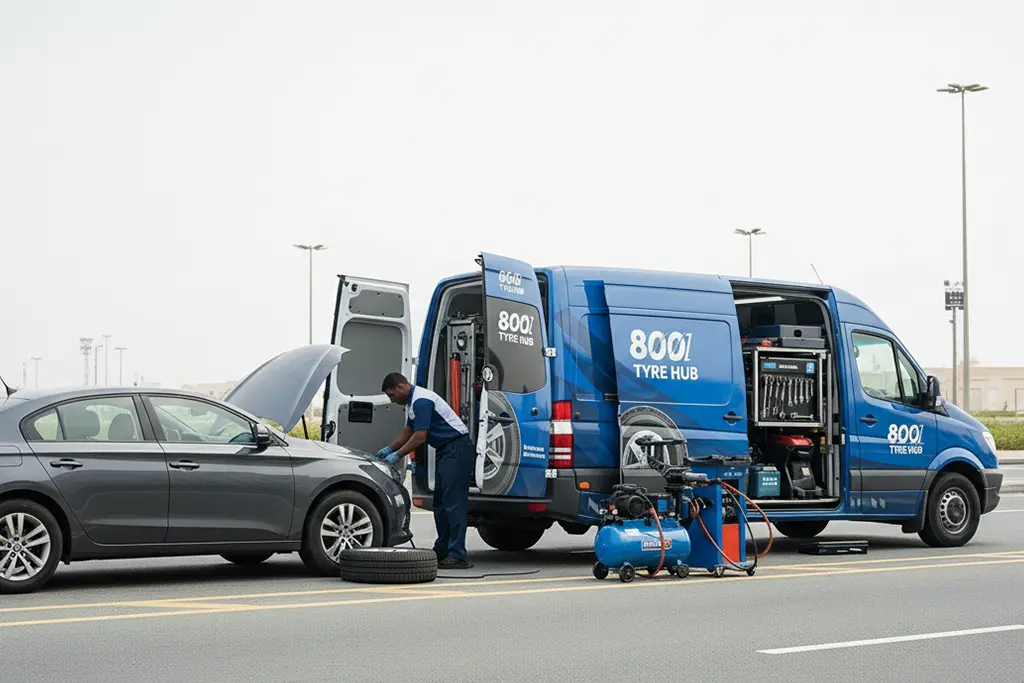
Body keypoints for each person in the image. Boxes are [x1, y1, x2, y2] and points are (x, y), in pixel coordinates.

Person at [377, 372, 475, 569]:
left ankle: (458, 555)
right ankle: (443, 549)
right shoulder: (413, 403)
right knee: (440, 503)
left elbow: (420, 436)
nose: (392, 400)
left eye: (392, 395)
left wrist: (398, 455)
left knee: (453, 503)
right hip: (445, 451)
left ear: (401, 387)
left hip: (456, 448)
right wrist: (389, 448)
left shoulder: (422, 401)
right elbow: (409, 431)